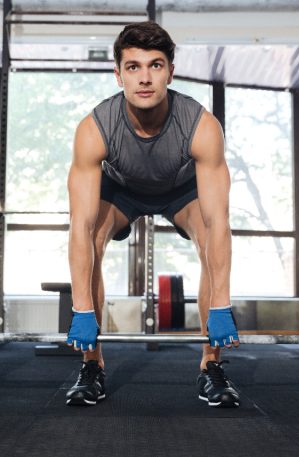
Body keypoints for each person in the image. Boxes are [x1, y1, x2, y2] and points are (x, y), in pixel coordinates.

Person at [65, 21, 240, 408]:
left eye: (155, 66)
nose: (145, 78)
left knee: (209, 237)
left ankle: (211, 365)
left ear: (170, 72)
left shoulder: (201, 126)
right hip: (122, 189)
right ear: (118, 75)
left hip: (180, 189)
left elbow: (218, 220)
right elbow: (78, 225)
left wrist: (223, 304)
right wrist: (81, 310)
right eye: (133, 67)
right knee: (93, 236)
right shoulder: (94, 129)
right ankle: (92, 365)